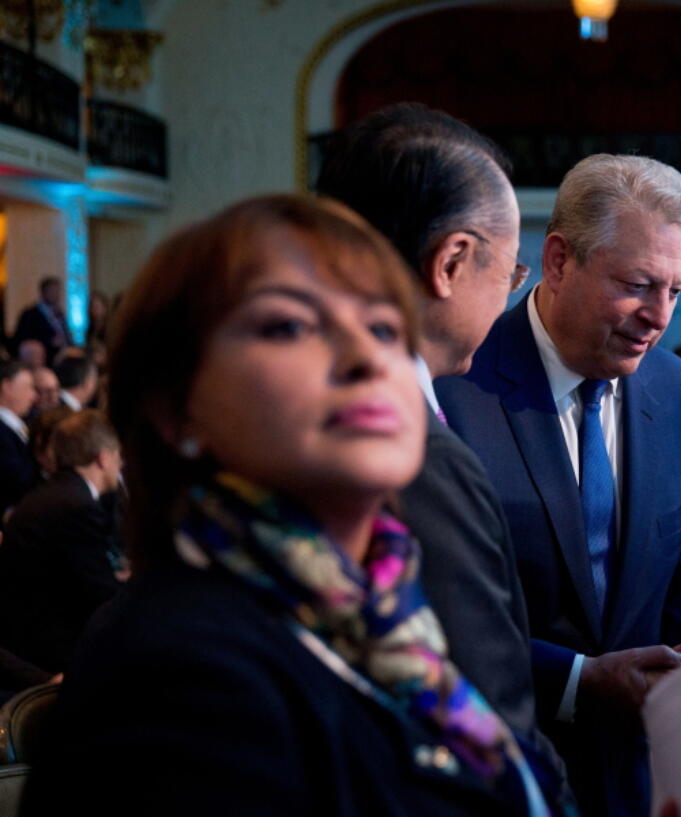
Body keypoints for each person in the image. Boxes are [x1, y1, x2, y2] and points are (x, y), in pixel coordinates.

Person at [25, 195, 566, 817]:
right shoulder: (171, 678)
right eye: (289, 326)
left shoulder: (386, 612)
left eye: (384, 328)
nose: (366, 358)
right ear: (176, 408)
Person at [437, 153, 681, 817]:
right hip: (497, 772)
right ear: (559, 260)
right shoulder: (453, 389)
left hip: (639, 781)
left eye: (676, 291)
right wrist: (576, 682)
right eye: (640, 284)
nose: (659, 316)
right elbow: (433, 602)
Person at [315, 102, 548, 752]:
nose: (509, 295)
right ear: (450, 262)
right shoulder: (409, 451)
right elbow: (488, 725)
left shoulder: (285, 414)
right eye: (511, 273)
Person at [0, 410, 124, 674]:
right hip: (51, 650)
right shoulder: (76, 505)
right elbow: (100, 592)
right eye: (117, 455)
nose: (120, 464)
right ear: (103, 458)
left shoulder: (61, 493)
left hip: (39, 632)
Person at [0, 359, 39, 519]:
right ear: (7, 387)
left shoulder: (18, 425)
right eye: (29, 387)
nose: (34, 396)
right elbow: (16, 480)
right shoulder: (2, 433)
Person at [13, 277, 69, 361]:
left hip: (62, 358)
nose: (55, 294)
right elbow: (23, 339)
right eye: (52, 290)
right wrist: (50, 341)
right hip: (42, 359)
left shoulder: (59, 313)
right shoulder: (30, 314)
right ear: (43, 292)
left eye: (57, 291)